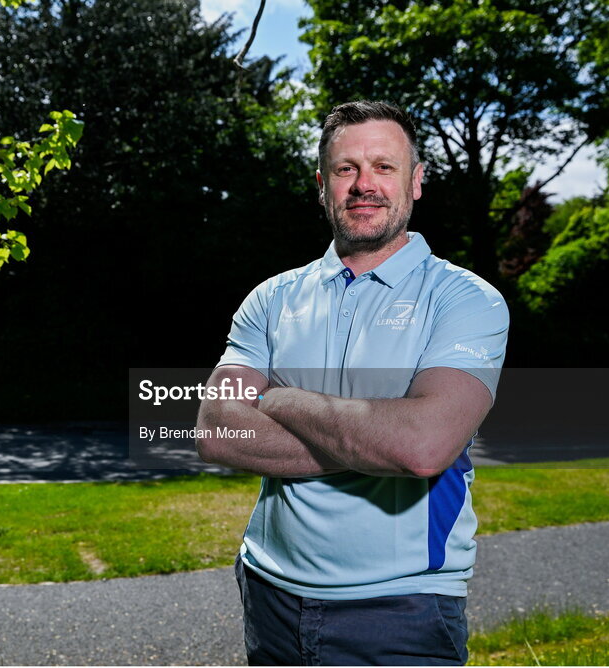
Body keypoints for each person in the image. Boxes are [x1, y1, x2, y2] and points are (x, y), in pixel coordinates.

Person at [195, 100, 509, 666]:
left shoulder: (464, 299)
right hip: (270, 591)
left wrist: (277, 399)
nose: (364, 185)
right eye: (346, 169)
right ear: (322, 185)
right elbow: (217, 429)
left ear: (415, 183)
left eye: (384, 167)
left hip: (403, 605)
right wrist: (376, 434)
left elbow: (422, 447)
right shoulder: (272, 297)